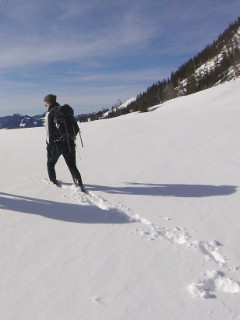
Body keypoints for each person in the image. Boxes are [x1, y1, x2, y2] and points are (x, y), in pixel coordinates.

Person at [44, 94, 85, 192]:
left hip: (55, 145)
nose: (46, 106)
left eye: (45, 104)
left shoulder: (50, 114)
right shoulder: (65, 112)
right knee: (72, 165)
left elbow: (49, 132)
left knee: (51, 163)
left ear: (48, 103)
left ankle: (53, 183)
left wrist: (49, 145)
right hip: (69, 143)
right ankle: (79, 184)